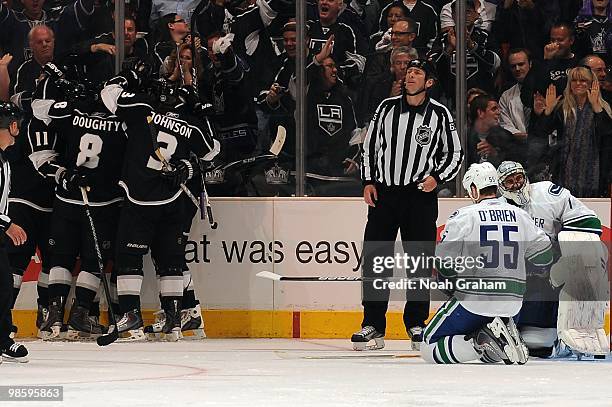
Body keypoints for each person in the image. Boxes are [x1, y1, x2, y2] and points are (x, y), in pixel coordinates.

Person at [100, 69, 220, 341]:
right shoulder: (190, 124)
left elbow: (108, 95)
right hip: (172, 199)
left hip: (140, 197)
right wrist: (201, 114)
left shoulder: (139, 106)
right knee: (171, 261)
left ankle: (131, 319)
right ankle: (175, 321)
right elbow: (212, 152)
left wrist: (125, 76)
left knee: (129, 259)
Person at [352, 59, 463, 351]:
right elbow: (369, 147)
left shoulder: (439, 114)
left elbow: (454, 154)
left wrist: (436, 178)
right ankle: (372, 324)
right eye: (408, 72)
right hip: (384, 195)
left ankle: (416, 322)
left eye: (417, 73)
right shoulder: (386, 108)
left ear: (429, 82)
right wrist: (368, 181)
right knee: (377, 261)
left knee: (418, 263)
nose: (410, 76)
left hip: (419, 197)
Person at [421, 162, 553, 364]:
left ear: (474, 189)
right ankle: (494, 334)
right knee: (490, 357)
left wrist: (449, 284)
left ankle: (480, 341)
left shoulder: (464, 216)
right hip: (513, 304)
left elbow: (444, 263)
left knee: (428, 345)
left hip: (475, 301)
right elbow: (544, 256)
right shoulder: (521, 215)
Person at [32, 64, 127, 340]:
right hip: (101, 202)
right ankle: (81, 312)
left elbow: (39, 109)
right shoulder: (120, 121)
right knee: (92, 262)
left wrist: (70, 100)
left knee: (60, 258)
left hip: (67, 197)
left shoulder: (73, 114)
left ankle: (54, 315)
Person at [497, 160, 608, 358]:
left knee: (590, 248)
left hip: (553, 272)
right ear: (501, 187)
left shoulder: (548, 194)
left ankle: (584, 322)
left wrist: (561, 251)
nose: (516, 184)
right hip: (525, 283)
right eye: (509, 182)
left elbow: (591, 224)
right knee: (538, 341)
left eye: (519, 178)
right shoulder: (498, 211)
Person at [532, 66, 612, 197]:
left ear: (592, 83)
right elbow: (540, 132)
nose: (578, 83)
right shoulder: (562, 108)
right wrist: (548, 111)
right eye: (574, 80)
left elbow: (607, 134)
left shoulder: (603, 108)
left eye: (583, 80)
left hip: (594, 173)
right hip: (565, 172)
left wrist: (596, 107)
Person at [0, 102, 29, 362]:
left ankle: (2, 339)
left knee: (3, 286)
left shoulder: (4, 160)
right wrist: (7, 224)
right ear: (11, 125)